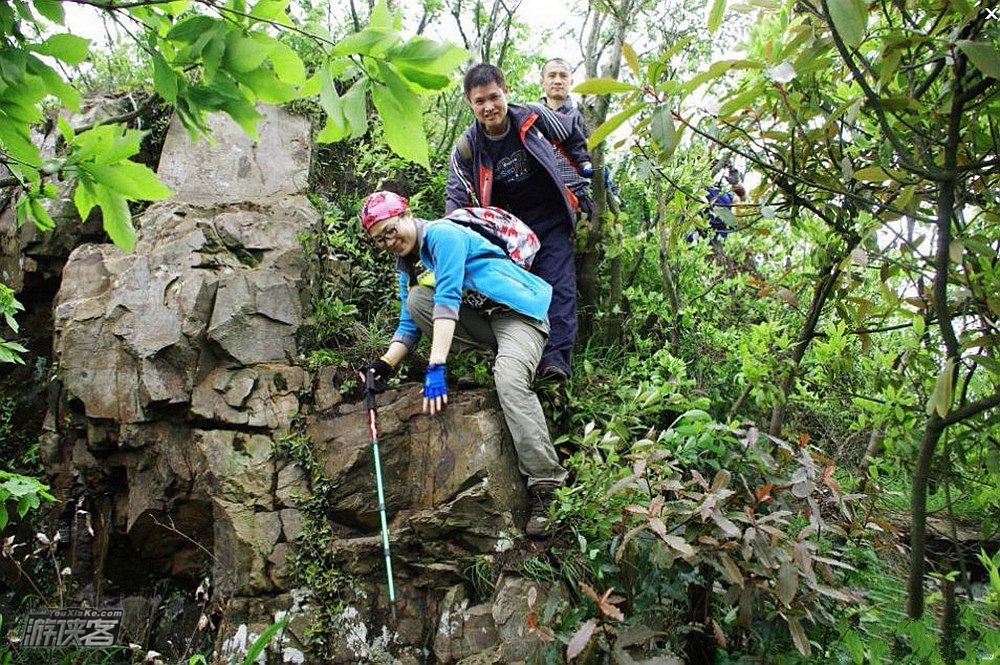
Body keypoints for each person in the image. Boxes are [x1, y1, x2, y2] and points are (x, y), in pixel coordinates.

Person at [357, 190, 568, 539]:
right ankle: (485, 359)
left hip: (518, 315)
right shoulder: (407, 265)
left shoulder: (443, 235)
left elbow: (449, 298)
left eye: (391, 230)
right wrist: (384, 365)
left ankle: (547, 484)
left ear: (406, 214)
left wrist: (436, 366)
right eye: (380, 240)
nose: (389, 242)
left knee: (511, 381)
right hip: (481, 322)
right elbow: (409, 322)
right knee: (416, 299)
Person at [445, 63, 593, 383]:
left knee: (559, 286)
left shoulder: (532, 117)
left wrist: (584, 183)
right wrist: (445, 238)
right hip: (509, 231)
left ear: (506, 91)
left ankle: (555, 362)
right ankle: (518, 358)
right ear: (470, 103)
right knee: (513, 295)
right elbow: (455, 199)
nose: (489, 107)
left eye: (494, 97)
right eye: (480, 101)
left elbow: (570, 131)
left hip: (550, 216)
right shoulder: (468, 148)